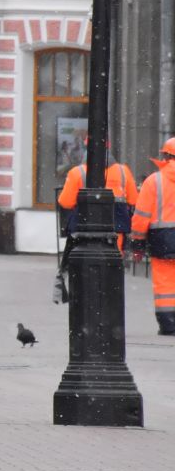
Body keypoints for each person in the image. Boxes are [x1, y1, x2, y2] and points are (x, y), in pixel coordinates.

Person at [130, 137, 175, 335]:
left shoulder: (153, 182)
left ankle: (168, 324)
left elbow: (141, 217)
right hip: (163, 237)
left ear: (165, 156)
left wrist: (137, 245)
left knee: (165, 282)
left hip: (162, 240)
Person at [57, 139, 137, 247]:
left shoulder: (77, 172)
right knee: (115, 259)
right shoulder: (123, 171)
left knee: (84, 260)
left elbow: (65, 202)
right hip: (115, 228)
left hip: (84, 229)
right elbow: (133, 200)